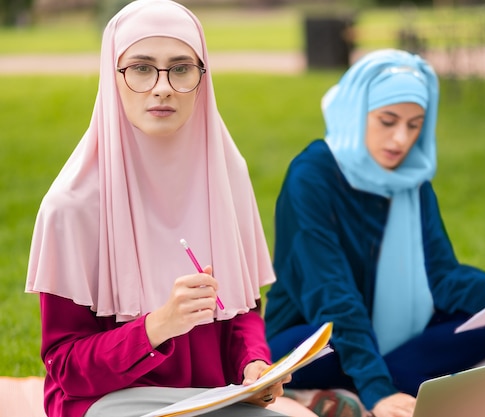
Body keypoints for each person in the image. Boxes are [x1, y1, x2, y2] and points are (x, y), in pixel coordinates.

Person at [24, 1, 317, 416]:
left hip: (211, 397)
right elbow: (66, 367)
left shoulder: (226, 175)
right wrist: (156, 327)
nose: (162, 86)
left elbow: (242, 309)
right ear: (113, 77)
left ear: (202, 78)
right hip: (110, 403)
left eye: (181, 68)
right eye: (141, 68)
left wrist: (253, 364)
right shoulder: (71, 206)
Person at [264, 49, 485, 417]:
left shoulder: (411, 178)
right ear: (356, 112)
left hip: (392, 330)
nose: (401, 140)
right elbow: (331, 296)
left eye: (414, 124)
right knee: (313, 348)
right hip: (316, 330)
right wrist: (379, 393)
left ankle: (356, 389)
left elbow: (440, 275)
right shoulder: (311, 176)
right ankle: (373, 385)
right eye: (387, 121)